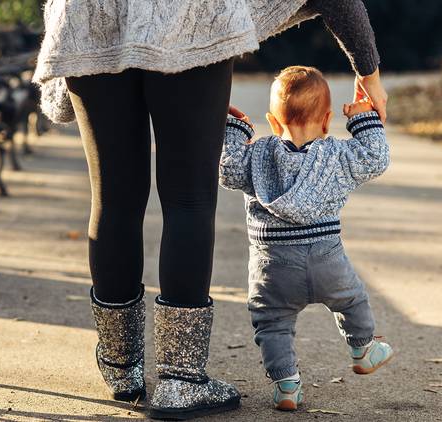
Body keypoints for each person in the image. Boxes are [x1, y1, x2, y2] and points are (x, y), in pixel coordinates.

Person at [33, 1, 387, 419]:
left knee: (113, 198)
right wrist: (369, 76)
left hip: (89, 14)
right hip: (189, 17)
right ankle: (180, 382)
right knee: (189, 198)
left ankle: (120, 368)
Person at [219, 66, 394, 411]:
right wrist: (363, 119)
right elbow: (376, 158)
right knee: (352, 299)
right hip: (327, 261)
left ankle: (286, 384)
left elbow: (227, 170)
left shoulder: (257, 156)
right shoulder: (337, 156)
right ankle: (363, 348)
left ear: (272, 121)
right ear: (328, 121)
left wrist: (233, 129)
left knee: (271, 322)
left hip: (273, 267)